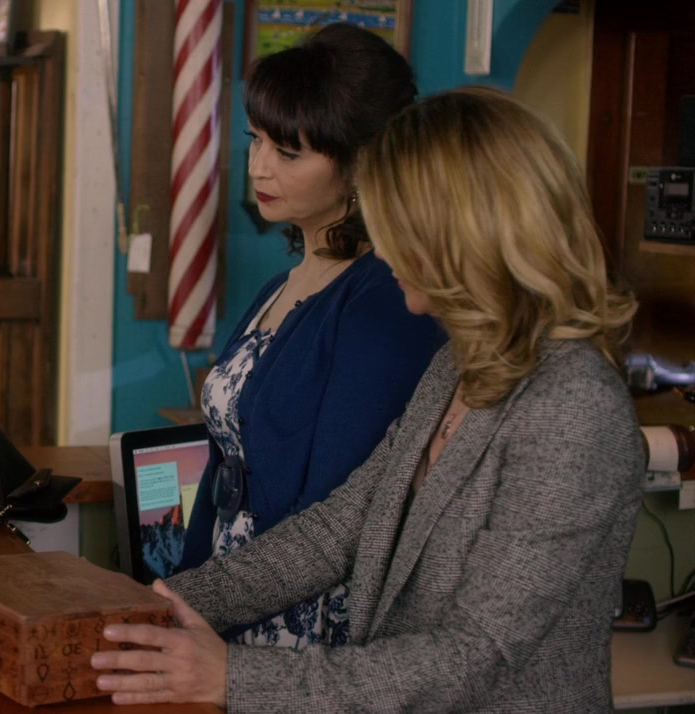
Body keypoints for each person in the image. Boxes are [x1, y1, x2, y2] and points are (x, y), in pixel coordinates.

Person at [92, 86, 643, 712]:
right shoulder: (456, 365)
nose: (379, 244)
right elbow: (337, 531)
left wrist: (233, 677)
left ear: (463, 233)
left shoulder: (573, 405)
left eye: (396, 225)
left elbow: (476, 653)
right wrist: (164, 604)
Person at [174, 22, 443, 649]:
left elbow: (334, 516)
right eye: (256, 140)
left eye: (288, 153)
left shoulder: (386, 301)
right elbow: (223, 470)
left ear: (361, 163)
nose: (259, 166)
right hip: (227, 595)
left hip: (301, 627)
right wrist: (179, 594)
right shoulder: (281, 285)